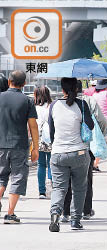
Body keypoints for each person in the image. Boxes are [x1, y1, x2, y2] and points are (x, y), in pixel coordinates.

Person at [60, 80, 107, 222]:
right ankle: (86, 210)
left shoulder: (58, 103)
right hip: (85, 145)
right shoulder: (88, 101)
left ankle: (65, 212)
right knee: (85, 180)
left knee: (65, 180)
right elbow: (100, 121)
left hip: (63, 146)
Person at [48, 77, 94, 232]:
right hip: (79, 152)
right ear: (77, 89)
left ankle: (55, 214)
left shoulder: (54, 105)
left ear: (62, 89)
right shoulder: (82, 104)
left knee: (59, 188)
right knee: (79, 187)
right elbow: (91, 126)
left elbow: (52, 131)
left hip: (58, 153)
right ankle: (75, 220)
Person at [0, 70, 39, 224]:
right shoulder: (27, 101)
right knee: (17, 177)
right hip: (19, 145)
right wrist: (35, 147)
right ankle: (10, 214)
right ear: (24, 84)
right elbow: (33, 126)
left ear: (9, 81)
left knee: (1, 176)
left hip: (0, 145)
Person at [34, 86, 53, 199]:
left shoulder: (35, 108)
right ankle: (51, 187)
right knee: (51, 163)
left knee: (41, 165)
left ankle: (42, 191)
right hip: (50, 137)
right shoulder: (51, 106)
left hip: (39, 138)